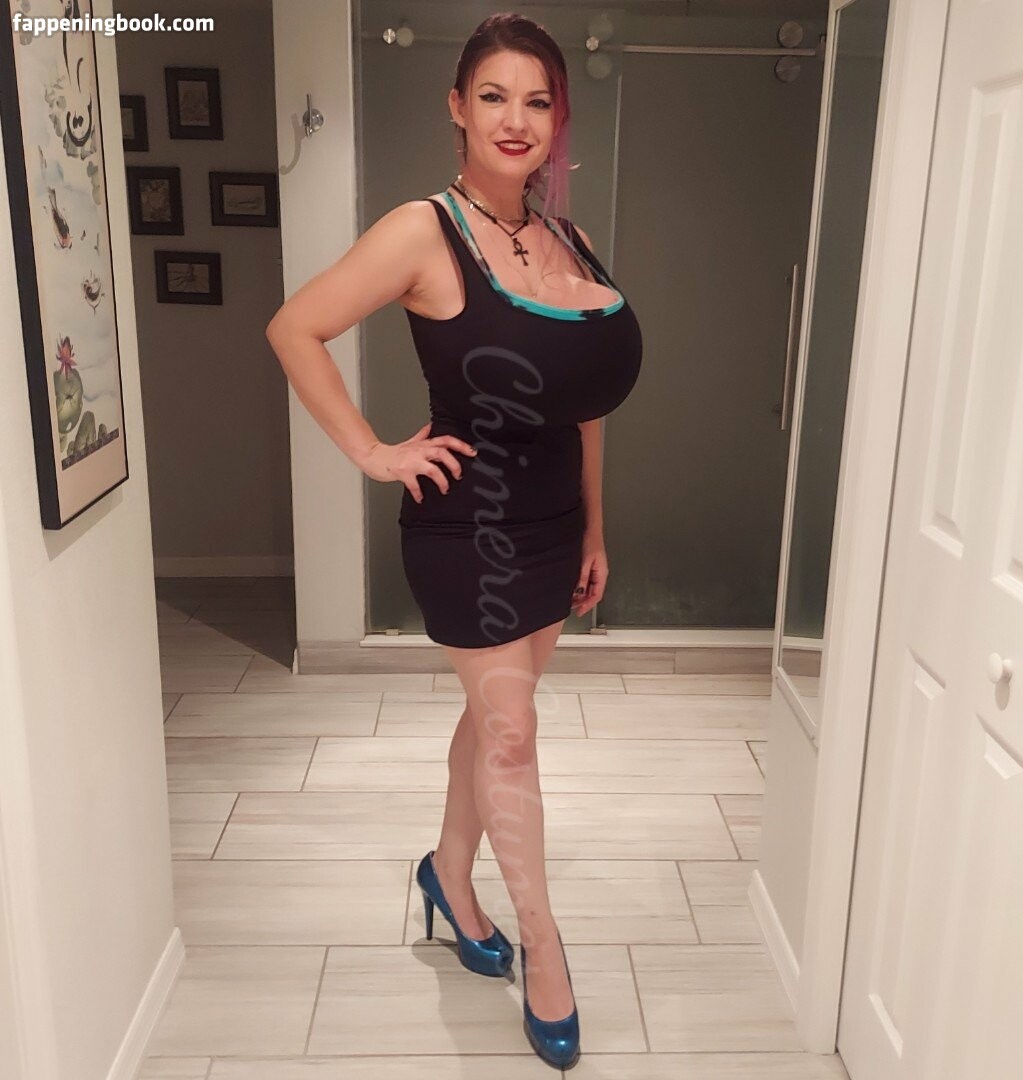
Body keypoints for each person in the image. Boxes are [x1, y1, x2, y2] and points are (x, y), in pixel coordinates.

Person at [266, 12, 642, 1069]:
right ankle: (544, 948)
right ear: (458, 108)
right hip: (467, 528)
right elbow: (294, 327)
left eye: (537, 100)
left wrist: (595, 525)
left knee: (491, 725)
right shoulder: (423, 231)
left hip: (553, 526)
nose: (516, 119)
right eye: (494, 96)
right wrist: (373, 451)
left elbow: (583, 404)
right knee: (512, 735)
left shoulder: (568, 237)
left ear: (557, 118)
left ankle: (445, 871)